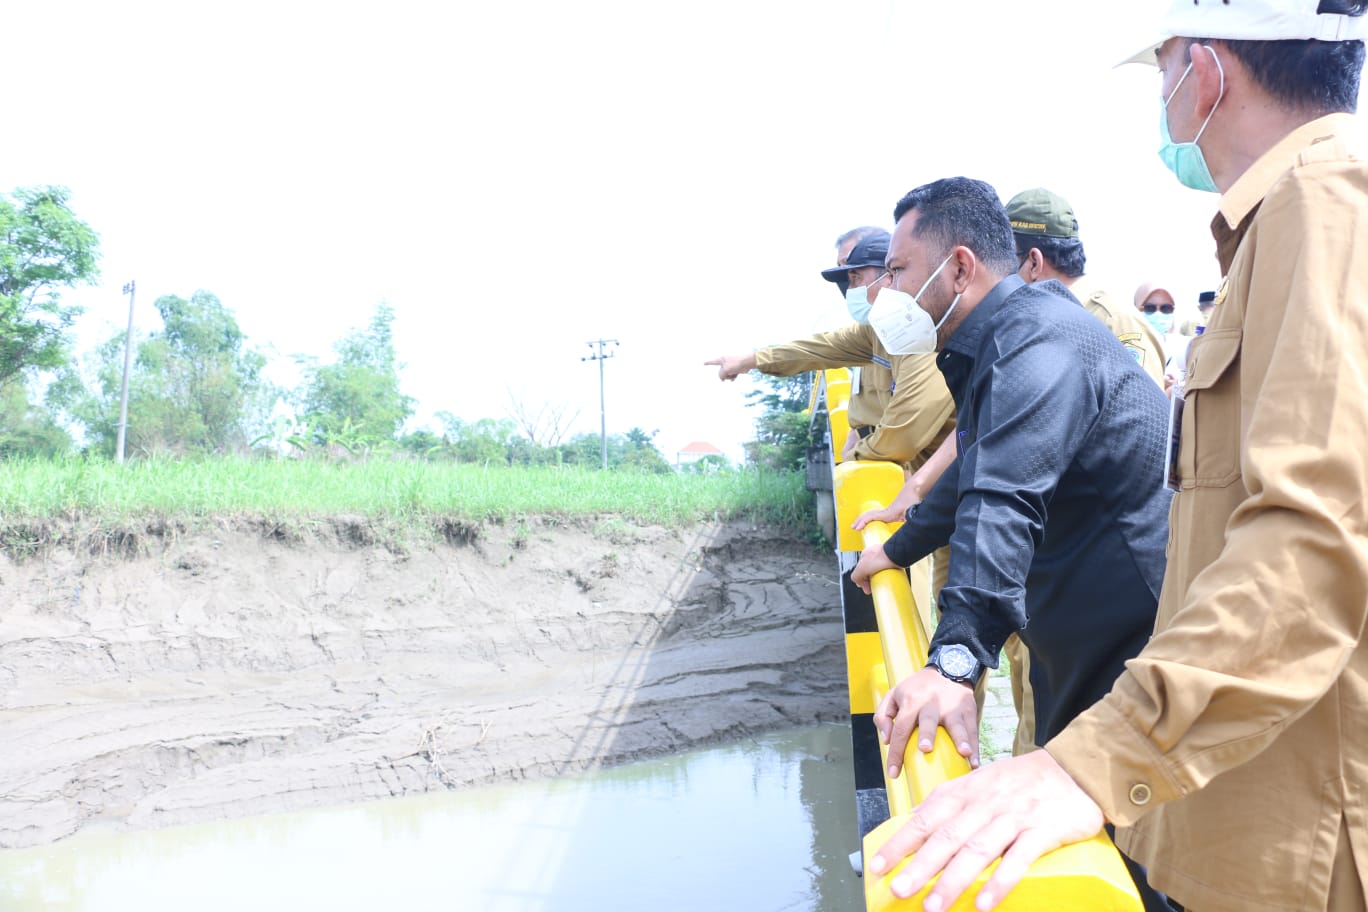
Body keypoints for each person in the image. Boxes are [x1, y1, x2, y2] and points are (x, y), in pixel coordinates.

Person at [866, 5, 1368, 912]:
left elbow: (1316, 539)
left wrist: (1084, 758)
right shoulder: (1282, 223)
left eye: (1163, 66)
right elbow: (985, 472)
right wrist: (900, 549)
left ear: (1205, 75)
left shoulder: (1324, 209)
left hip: (1291, 820)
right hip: (1223, 756)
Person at [848, 175, 1171, 906]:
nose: (885, 292)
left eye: (896, 271)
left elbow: (1004, 497)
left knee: (1136, 853)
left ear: (959, 266)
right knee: (1082, 834)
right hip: (1082, 628)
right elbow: (977, 463)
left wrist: (955, 660)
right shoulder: (1001, 340)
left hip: (1132, 639)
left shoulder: (1035, 339)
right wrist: (896, 549)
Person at [706, 231, 955, 472]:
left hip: (949, 478)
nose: (849, 290)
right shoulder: (876, 331)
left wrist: (851, 460)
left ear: (890, 276)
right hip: (915, 471)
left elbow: (903, 435)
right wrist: (751, 360)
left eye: (855, 278)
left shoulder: (925, 333)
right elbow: (820, 348)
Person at [1010, 188, 1166, 388]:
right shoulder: (1033, 319)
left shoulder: (1115, 322)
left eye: (1009, 261)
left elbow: (1143, 404)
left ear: (1034, 262)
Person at [1134, 280, 1191, 393]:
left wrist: (1178, 387)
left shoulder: (1183, 346)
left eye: (1166, 308)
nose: (1158, 313)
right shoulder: (1126, 346)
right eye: (1150, 308)